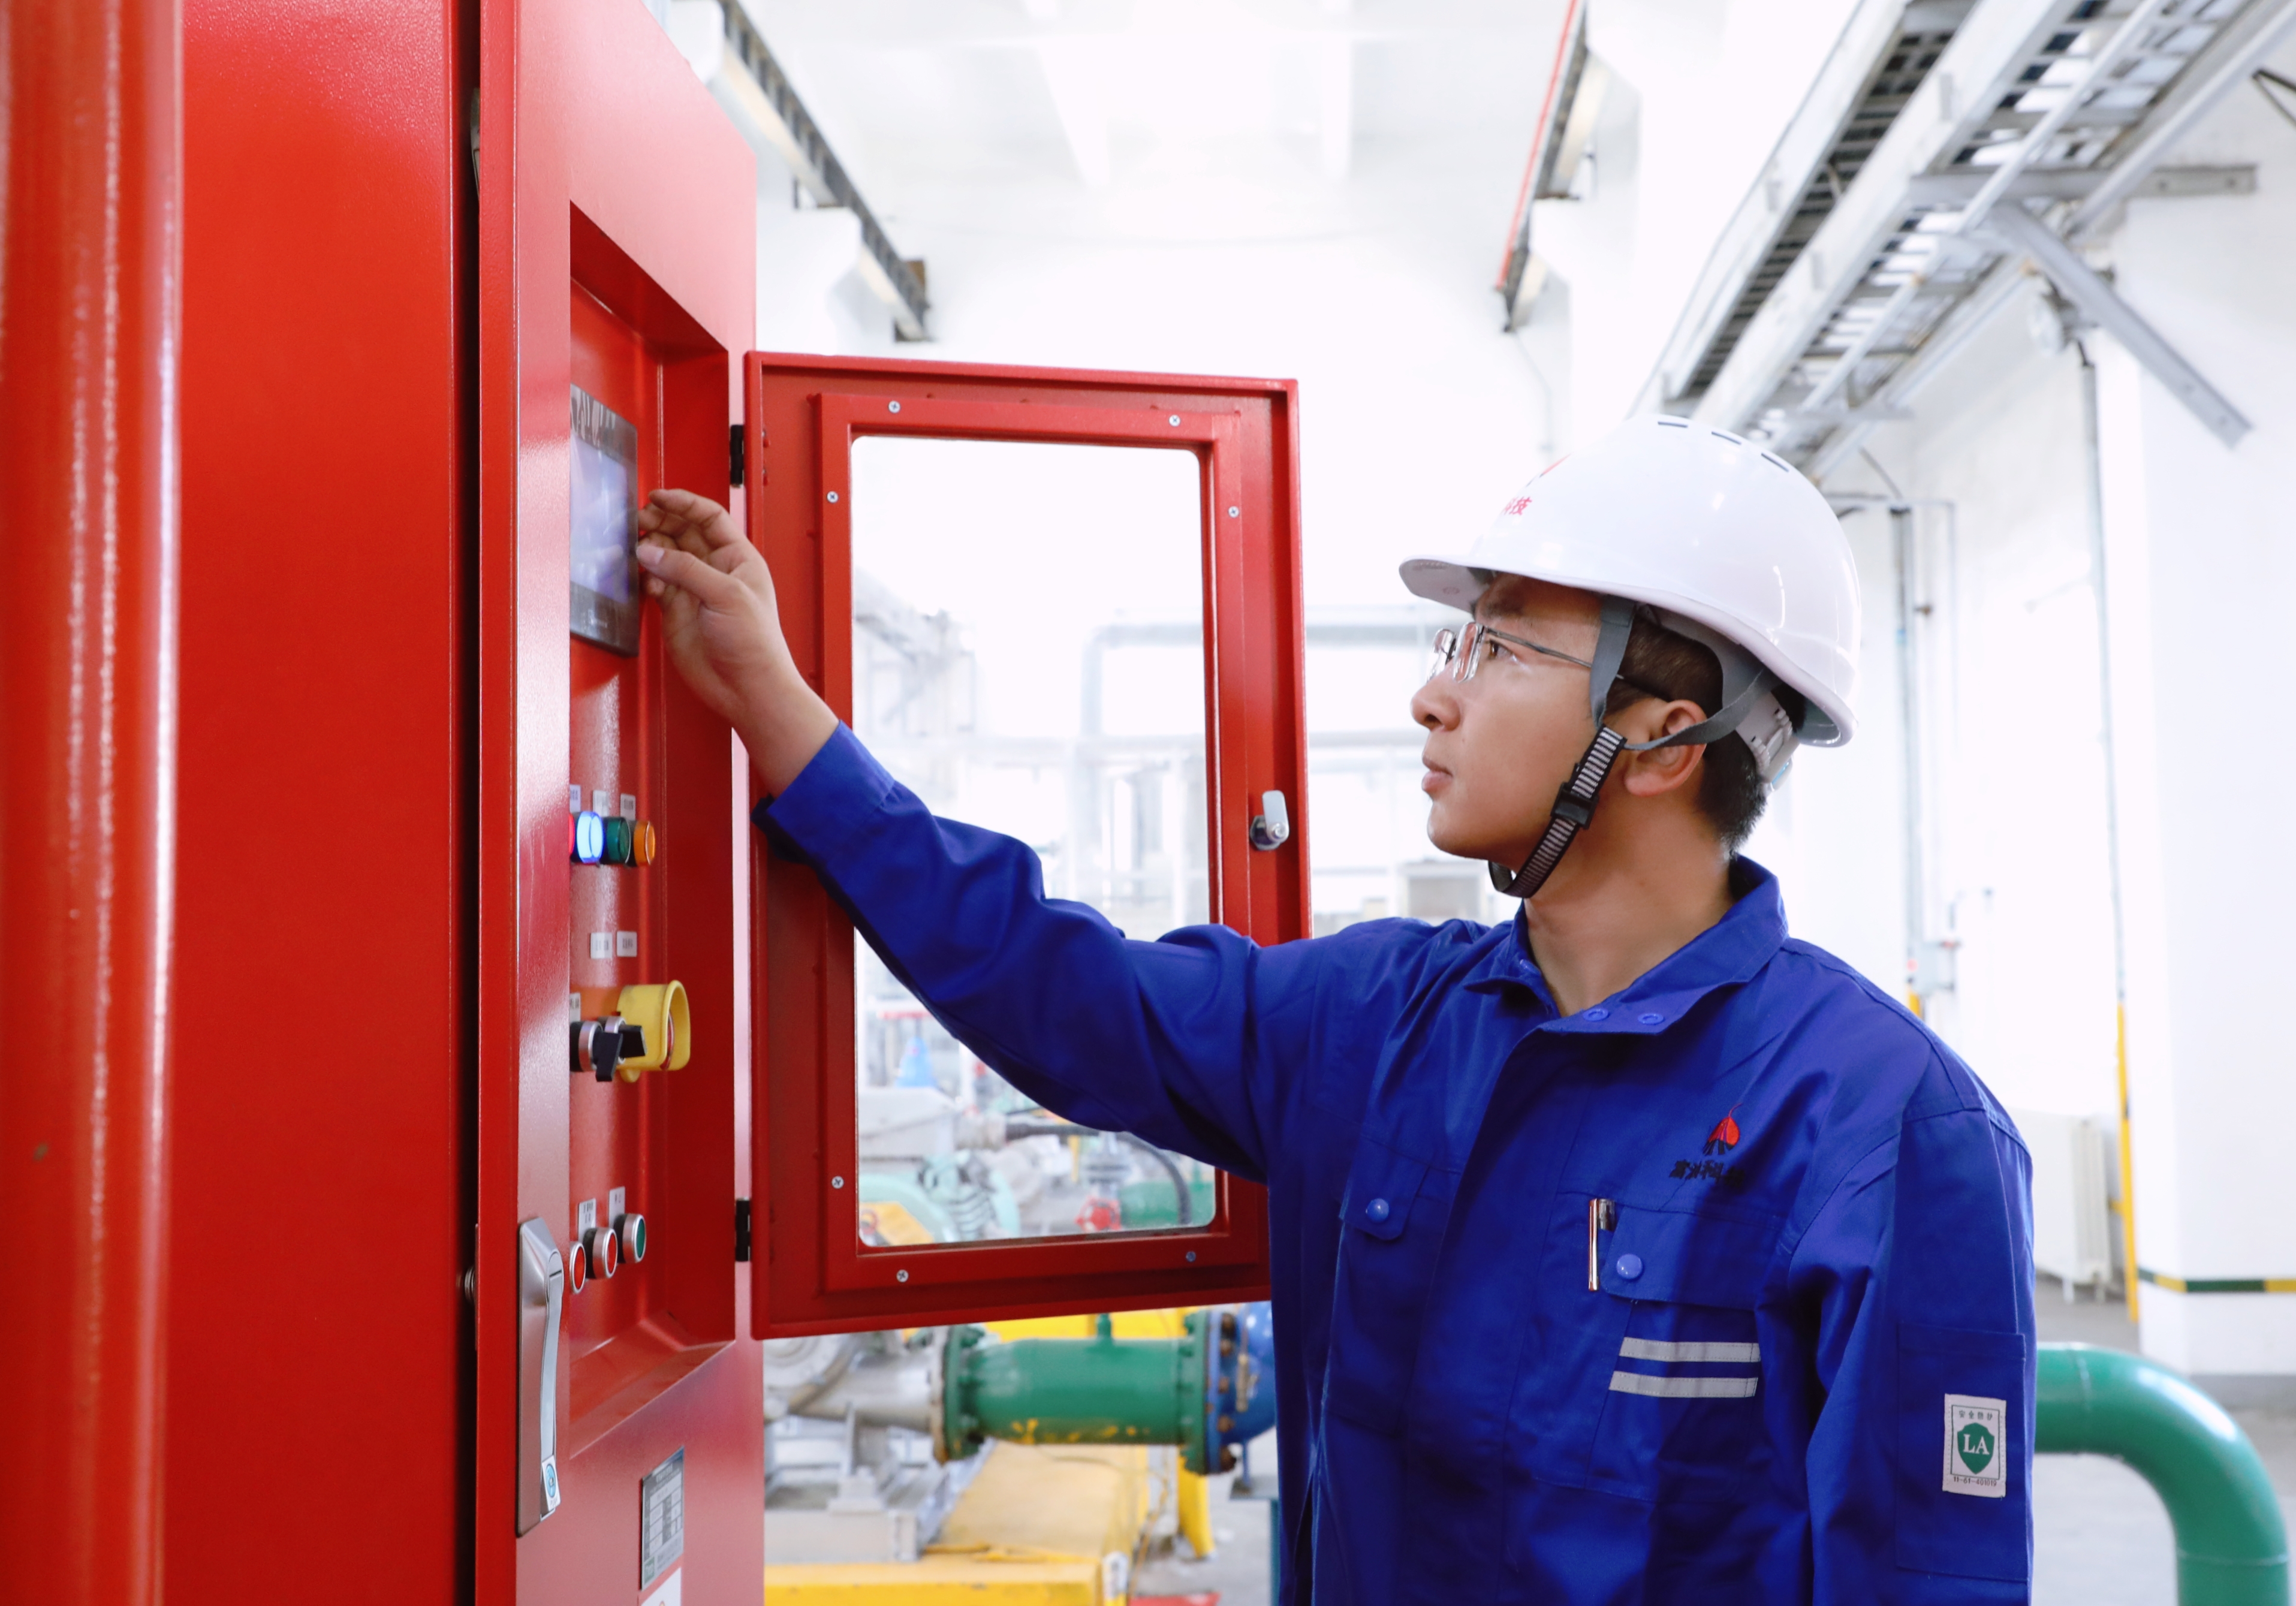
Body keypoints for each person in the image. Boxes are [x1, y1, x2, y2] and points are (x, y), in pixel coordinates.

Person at [633, 414, 2035, 1605]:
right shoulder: (1373, 1021)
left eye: (1499, 649)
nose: (1432, 694)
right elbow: (1063, 987)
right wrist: (784, 717)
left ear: (1663, 738)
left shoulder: (1881, 1126)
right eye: (1455, 641)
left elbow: (1927, 1576)